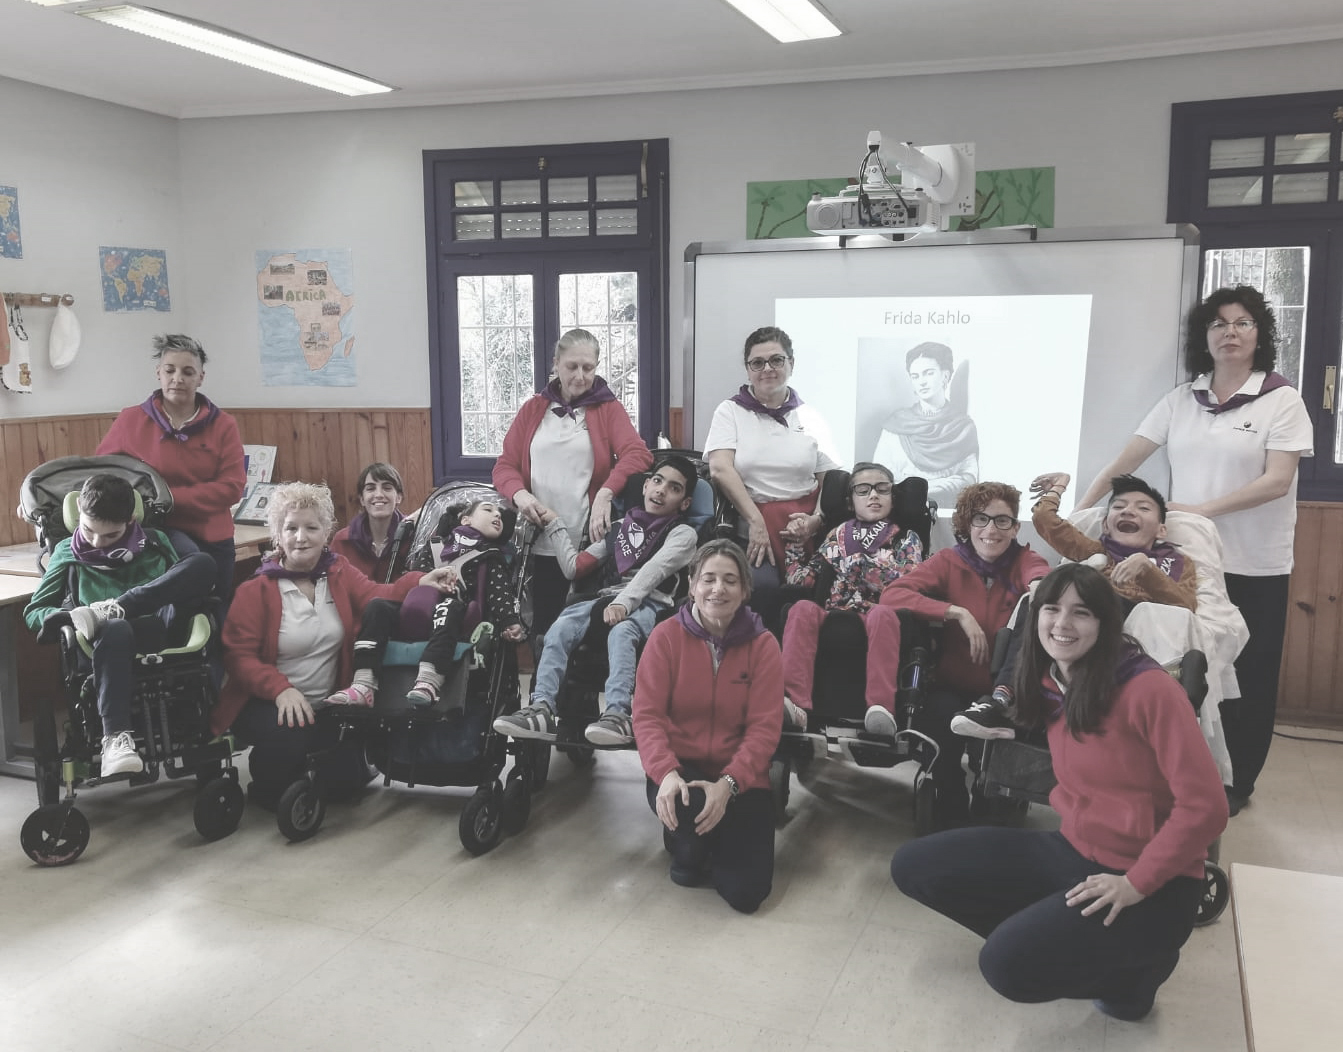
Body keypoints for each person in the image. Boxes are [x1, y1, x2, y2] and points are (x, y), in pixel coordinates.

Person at [890, 563, 1228, 1021]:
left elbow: (1207, 809)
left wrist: (1136, 884)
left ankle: (1136, 972)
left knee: (1005, 967)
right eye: (1051, 609)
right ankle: (1063, 937)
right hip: (1073, 850)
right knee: (914, 866)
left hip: (1151, 883)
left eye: (1081, 612)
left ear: (1106, 623)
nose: (1062, 623)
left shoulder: (1149, 690)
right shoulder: (1051, 681)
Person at [1078, 285, 1313, 815]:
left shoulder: (1282, 399)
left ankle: (1237, 783)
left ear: (1259, 334)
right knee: (1185, 668)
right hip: (1187, 565)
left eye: (1242, 322)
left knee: (1248, 675)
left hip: (1255, 563)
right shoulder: (1182, 399)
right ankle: (1183, 774)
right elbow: (1124, 464)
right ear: (1203, 337)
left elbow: (1277, 481)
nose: (1230, 332)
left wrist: (1198, 512)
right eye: (1219, 324)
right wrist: (1081, 512)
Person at [212, 482, 455, 809]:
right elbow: (239, 658)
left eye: (311, 528)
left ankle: (305, 771)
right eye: (291, 528)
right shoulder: (255, 590)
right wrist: (281, 690)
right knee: (288, 752)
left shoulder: (337, 570)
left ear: (326, 532)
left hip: (327, 705)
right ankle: (267, 776)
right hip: (266, 703)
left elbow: (376, 595)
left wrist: (421, 580)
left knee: (345, 787)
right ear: (277, 534)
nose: (301, 537)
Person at [951, 471, 1199, 740]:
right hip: (1077, 620)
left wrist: (1146, 569)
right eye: (1118, 507)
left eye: (1143, 508)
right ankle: (1002, 701)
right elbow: (1046, 521)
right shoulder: (1098, 552)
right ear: (1105, 526)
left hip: (1129, 631)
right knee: (1039, 599)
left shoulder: (1177, 563)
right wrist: (1060, 485)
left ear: (1161, 529)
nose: (1128, 511)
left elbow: (1185, 603)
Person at [493, 455, 700, 746]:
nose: (661, 490)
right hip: (606, 599)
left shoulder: (683, 534)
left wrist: (623, 604)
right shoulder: (620, 529)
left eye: (674, 488)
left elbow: (654, 571)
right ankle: (541, 708)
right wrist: (555, 525)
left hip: (650, 603)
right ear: (645, 486)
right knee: (560, 627)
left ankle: (618, 713)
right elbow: (574, 568)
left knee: (622, 632)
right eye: (657, 480)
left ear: (685, 503)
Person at [879, 482, 1050, 827]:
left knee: (996, 816)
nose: (991, 529)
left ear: (1015, 528)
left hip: (1005, 694)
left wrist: (1039, 587)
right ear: (967, 525)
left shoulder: (1025, 559)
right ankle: (950, 800)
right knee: (941, 738)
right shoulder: (948, 561)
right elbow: (892, 595)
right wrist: (955, 612)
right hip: (952, 684)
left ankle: (991, 801)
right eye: (981, 519)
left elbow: (1041, 578)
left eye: (1002, 521)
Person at [24, 473, 217, 776]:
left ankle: (116, 607)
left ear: (130, 521)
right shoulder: (65, 551)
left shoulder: (155, 541)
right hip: (104, 643)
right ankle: (115, 739)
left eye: (110, 535)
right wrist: (71, 617)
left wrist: (124, 607)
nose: (96, 542)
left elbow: (182, 584)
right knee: (115, 627)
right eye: (88, 530)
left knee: (203, 563)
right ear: (79, 514)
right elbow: (34, 611)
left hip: (157, 630)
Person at [632, 539, 783, 914]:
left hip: (740, 778)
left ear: (745, 590)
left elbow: (764, 729)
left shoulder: (764, 645)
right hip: (681, 772)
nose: (718, 589)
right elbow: (647, 716)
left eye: (730, 580)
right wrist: (666, 773)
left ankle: (709, 839)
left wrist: (728, 786)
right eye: (709, 579)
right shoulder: (665, 637)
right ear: (692, 585)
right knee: (687, 827)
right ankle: (689, 844)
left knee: (746, 895)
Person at [493, 328, 651, 651]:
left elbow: (638, 454)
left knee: (580, 636)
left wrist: (606, 492)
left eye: (588, 368)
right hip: (539, 537)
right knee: (543, 631)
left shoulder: (607, 408)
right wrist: (519, 495)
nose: (580, 376)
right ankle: (541, 684)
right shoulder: (534, 409)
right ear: (555, 364)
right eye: (572, 366)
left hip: (583, 539)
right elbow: (505, 466)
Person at [328, 498, 525, 709]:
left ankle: (428, 681)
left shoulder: (491, 556)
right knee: (377, 606)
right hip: (420, 609)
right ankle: (363, 684)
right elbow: (416, 576)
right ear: (465, 519)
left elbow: (499, 594)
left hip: (457, 614)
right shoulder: (436, 546)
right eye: (488, 509)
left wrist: (510, 622)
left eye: (499, 514)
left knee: (448, 607)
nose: (497, 515)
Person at [97, 334, 246, 606]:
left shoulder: (224, 425)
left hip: (213, 539)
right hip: (152, 537)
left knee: (213, 612)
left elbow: (232, 487)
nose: (178, 378)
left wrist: (168, 498)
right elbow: (102, 477)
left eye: (188, 372)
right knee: (168, 618)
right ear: (159, 373)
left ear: (200, 378)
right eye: (170, 370)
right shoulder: (130, 419)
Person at [705, 326, 839, 626]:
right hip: (753, 526)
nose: (767, 368)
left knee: (817, 593)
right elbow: (720, 469)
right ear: (748, 369)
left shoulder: (811, 415)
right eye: (757, 363)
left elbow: (829, 478)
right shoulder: (730, 412)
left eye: (776, 360)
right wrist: (756, 522)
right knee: (761, 590)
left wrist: (817, 519)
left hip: (806, 529)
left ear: (791, 364)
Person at [780, 462, 923, 738]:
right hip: (834, 609)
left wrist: (854, 561)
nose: (873, 495)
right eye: (863, 490)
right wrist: (795, 543)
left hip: (878, 611)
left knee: (883, 614)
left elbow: (905, 581)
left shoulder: (906, 538)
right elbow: (803, 579)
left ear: (893, 498)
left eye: (882, 489)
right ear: (850, 501)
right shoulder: (837, 535)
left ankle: (880, 709)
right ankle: (793, 704)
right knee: (801, 609)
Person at [872, 342, 979, 508]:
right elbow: (880, 476)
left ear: (945, 376)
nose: (922, 382)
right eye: (915, 376)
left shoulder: (963, 427)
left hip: (949, 511)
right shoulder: (897, 424)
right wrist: (932, 485)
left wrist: (926, 487)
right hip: (901, 509)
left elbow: (969, 478)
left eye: (928, 373)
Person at [330, 462, 411, 582]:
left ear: (398, 497)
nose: (378, 495)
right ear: (362, 499)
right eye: (370, 488)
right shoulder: (342, 541)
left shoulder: (414, 537)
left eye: (387, 488)